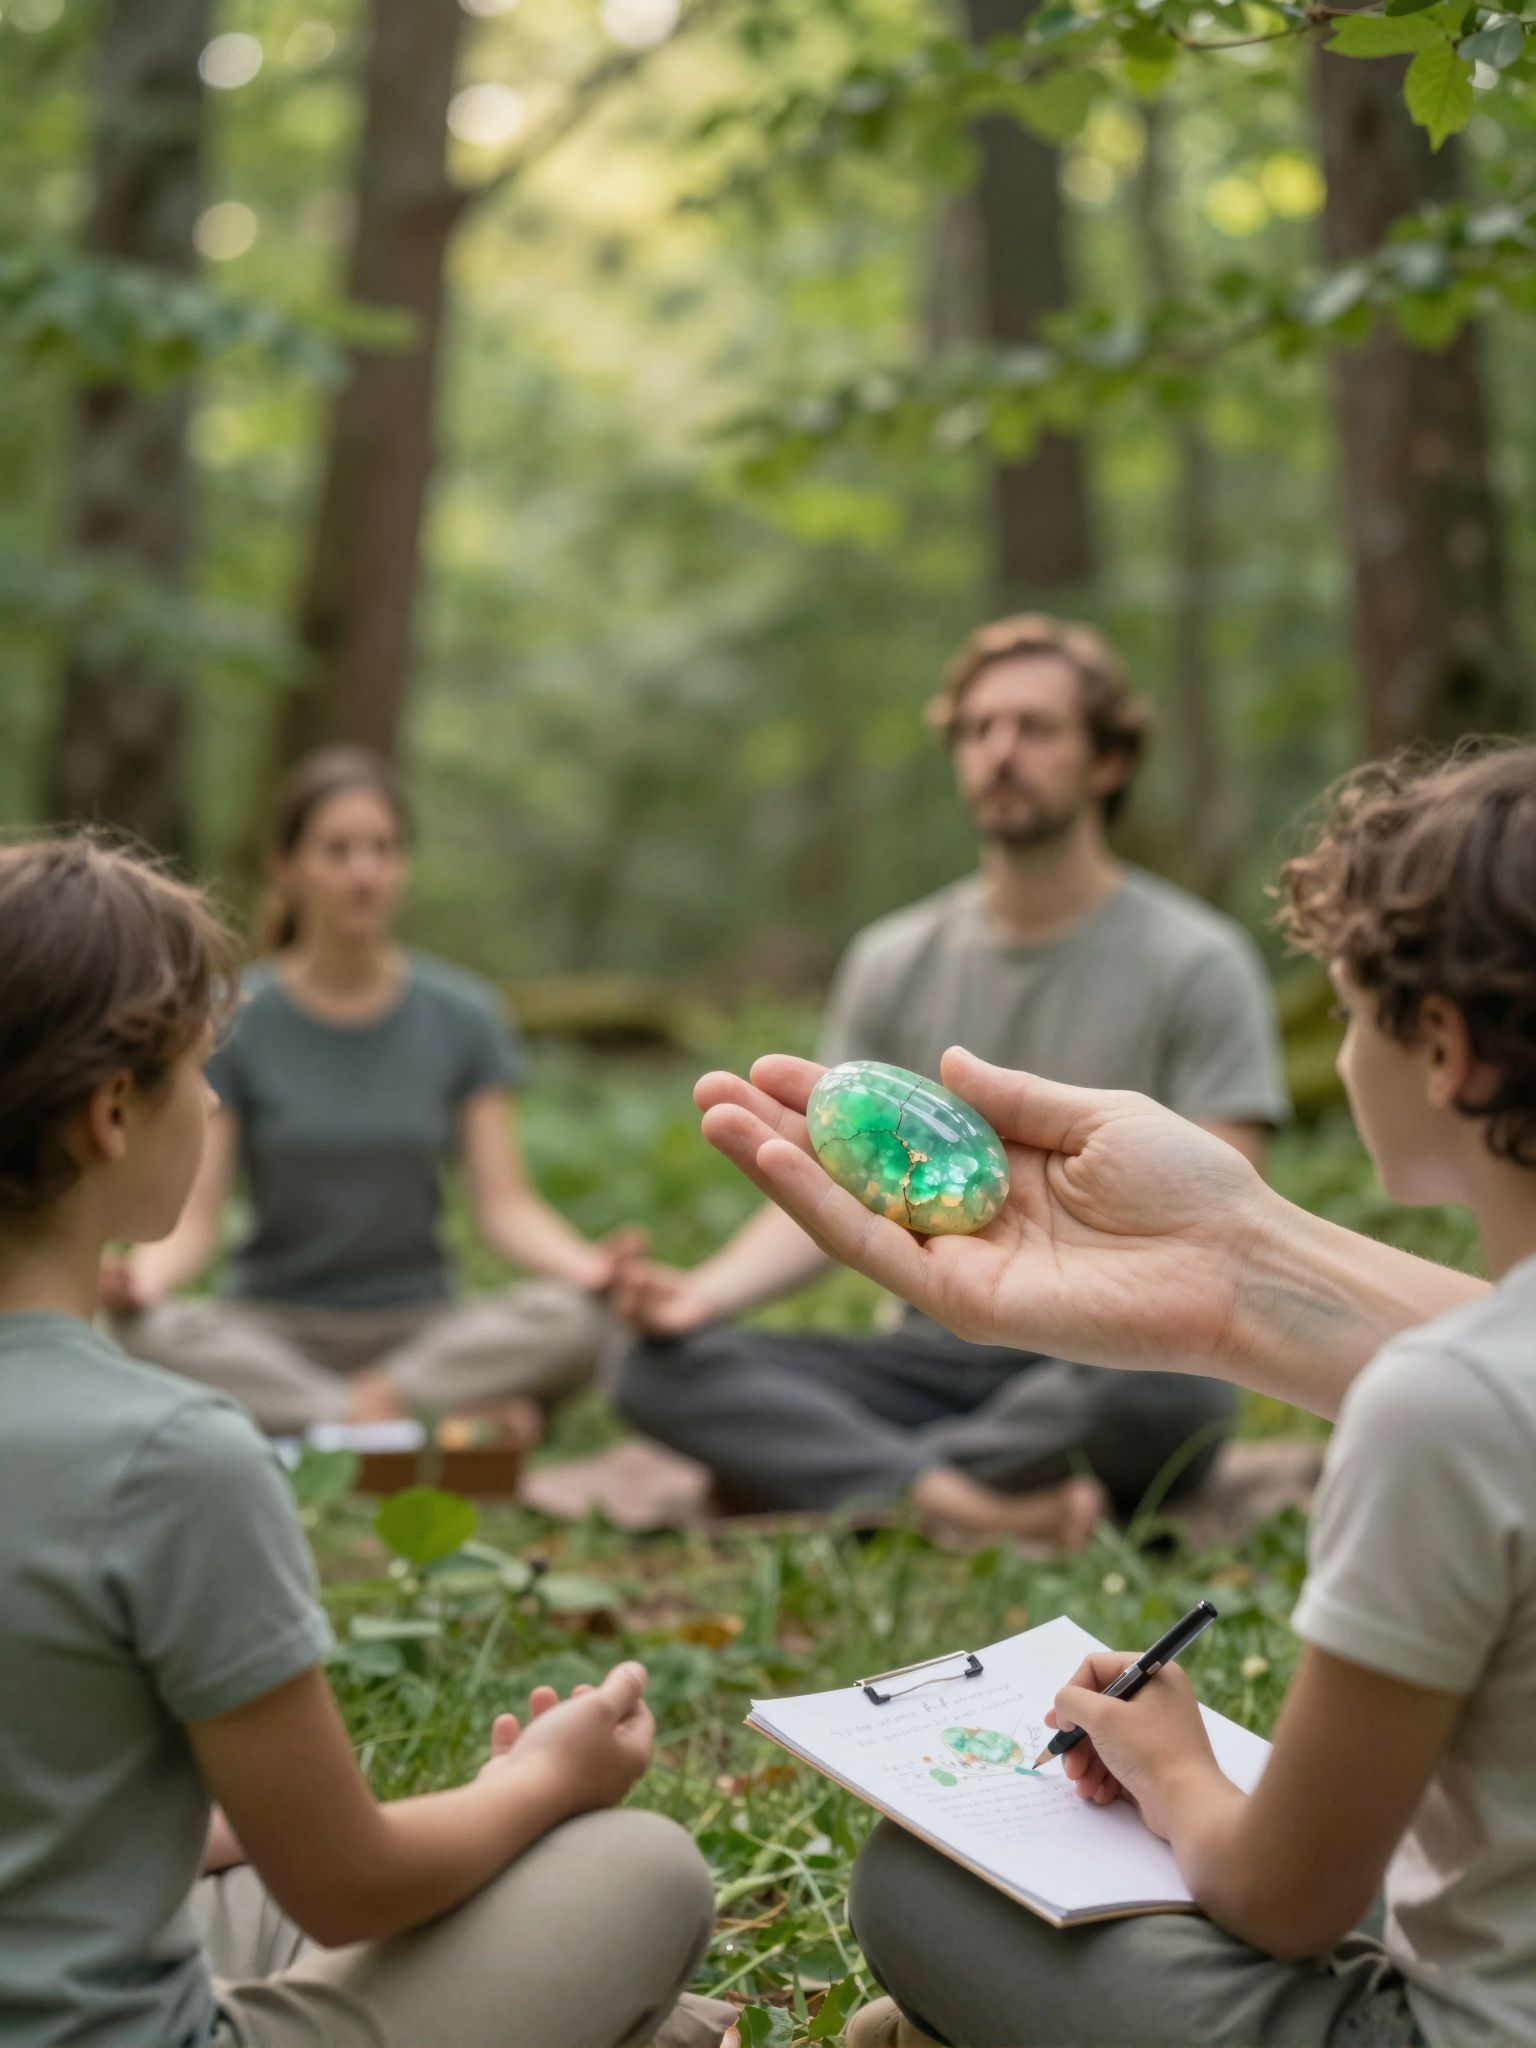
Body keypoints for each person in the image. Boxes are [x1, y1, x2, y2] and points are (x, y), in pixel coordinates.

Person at [699, 745, 1536, 2048]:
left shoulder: (1441, 1408)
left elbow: (1285, 1900)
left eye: (1352, 1012)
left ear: (1441, 1048)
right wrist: (1235, 1260)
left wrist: (1177, 1772)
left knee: (923, 1884)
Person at [0, 835, 735, 2048]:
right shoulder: (175, 1455)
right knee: (642, 1866)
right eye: (197, 1071)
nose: (219, 1099)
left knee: (277, 1884)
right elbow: (348, 1886)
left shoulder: (448, 1013)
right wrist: (538, 1783)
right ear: (111, 1113)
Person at [614, 616, 1288, 1546]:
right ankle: (965, 1500)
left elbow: (1224, 1214)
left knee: (1169, 1396)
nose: (999, 752)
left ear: (1108, 762)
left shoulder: (1198, 961)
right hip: (926, 1351)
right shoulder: (892, 958)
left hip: (1108, 1351)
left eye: (1035, 728)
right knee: (652, 1368)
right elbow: (827, 1178)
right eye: (977, 729)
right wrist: (703, 1296)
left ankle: (849, 1477)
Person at [105, 747, 641, 1443]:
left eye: (383, 850)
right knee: (130, 1329)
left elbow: (504, 1207)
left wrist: (593, 1270)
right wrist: (141, 1284)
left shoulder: (464, 1016)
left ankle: (345, 1416)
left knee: (586, 1319)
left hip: (424, 1335)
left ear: (404, 866)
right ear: (286, 867)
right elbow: (197, 1218)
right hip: (272, 1331)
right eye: (337, 851)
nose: (364, 873)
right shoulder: (234, 1018)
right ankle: (391, 1419)